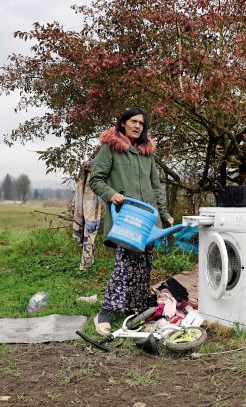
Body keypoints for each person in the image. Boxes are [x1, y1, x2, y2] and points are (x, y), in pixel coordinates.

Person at [89, 107, 173, 336]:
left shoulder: (147, 153)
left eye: (141, 123)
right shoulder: (111, 149)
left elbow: (156, 186)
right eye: (133, 121)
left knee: (144, 266)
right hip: (126, 219)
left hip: (148, 219)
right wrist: (111, 194)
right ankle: (105, 312)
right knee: (125, 267)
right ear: (123, 123)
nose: (137, 126)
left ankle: (136, 309)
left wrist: (164, 214)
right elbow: (96, 179)